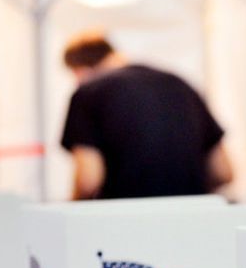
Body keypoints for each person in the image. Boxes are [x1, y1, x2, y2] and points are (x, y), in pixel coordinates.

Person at [59, 31, 233, 200]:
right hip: (193, 217)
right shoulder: (181, 85)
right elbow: (224, 172)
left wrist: (72, 208)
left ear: (79, 71)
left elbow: (88, 180)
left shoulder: (87, 93)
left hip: (126, 219)